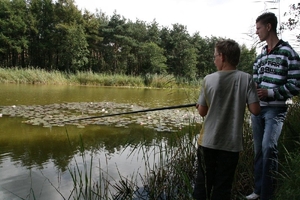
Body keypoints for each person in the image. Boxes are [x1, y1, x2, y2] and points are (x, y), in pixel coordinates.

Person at [192, 39, 261, 200]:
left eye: (215, 55)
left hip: (208, 142)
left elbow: (202, 112)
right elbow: (256, 110)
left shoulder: (209, 79)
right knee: (223, 187)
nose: (214, 59)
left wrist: (199, 105)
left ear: (222, 57)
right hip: (231, 145)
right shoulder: (247, 79)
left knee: (203, 185)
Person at [246, 12, 300, 200]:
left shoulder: (289, 53)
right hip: (258, 110)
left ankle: (268, 194)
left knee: (269, 147)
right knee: (259, 150)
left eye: (258, 28)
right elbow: (256, 78)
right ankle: (258, 190)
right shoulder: (261, 54)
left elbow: (296, 84)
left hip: (276, 109)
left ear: (269, 27)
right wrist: (254, 89)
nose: (256, 32)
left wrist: (271, 93)